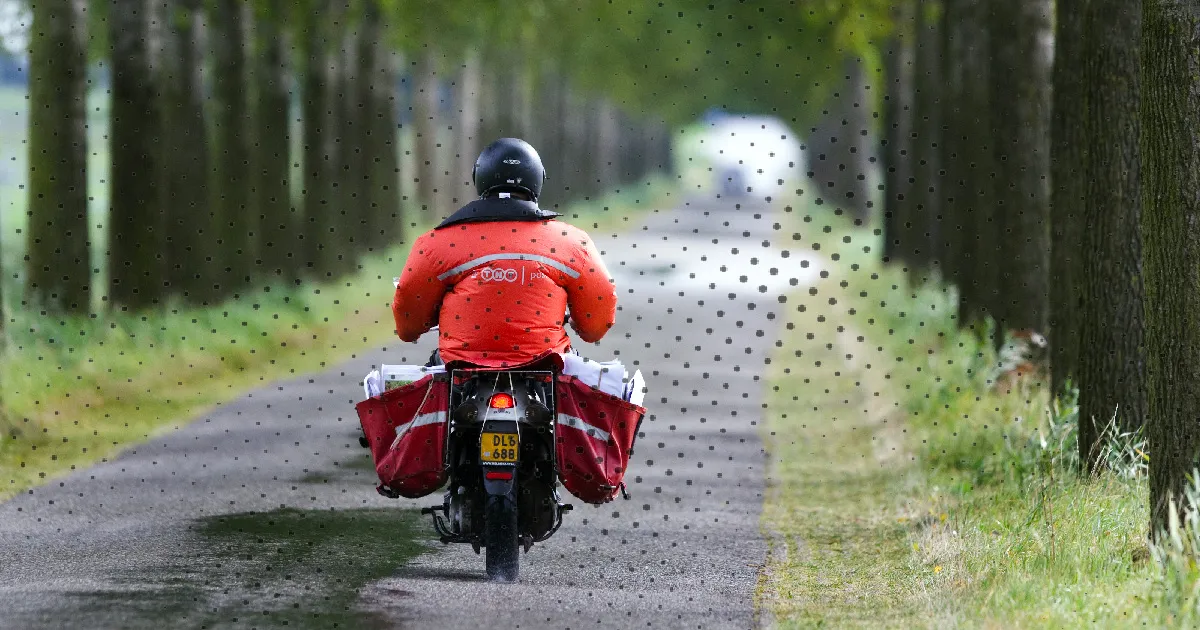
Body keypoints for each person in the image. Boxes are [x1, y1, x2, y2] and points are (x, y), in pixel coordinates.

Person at [391, 138, 617, 369]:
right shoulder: (572, 242)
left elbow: (408, 324)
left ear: (479, 178)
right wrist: (582, 325)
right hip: (547, 364)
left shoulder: (435, 243)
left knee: (425, 388)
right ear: (538, 179)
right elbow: (597, 321)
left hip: (459, 368)